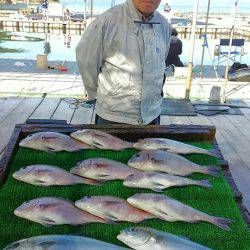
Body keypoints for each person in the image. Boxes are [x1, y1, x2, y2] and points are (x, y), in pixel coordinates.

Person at [76, 0, 171, 125]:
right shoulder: (107, 21)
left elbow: (162, 60)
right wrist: (99, 96)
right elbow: (87, 62)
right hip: (112, 117)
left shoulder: (163, 24)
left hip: (152, 115)